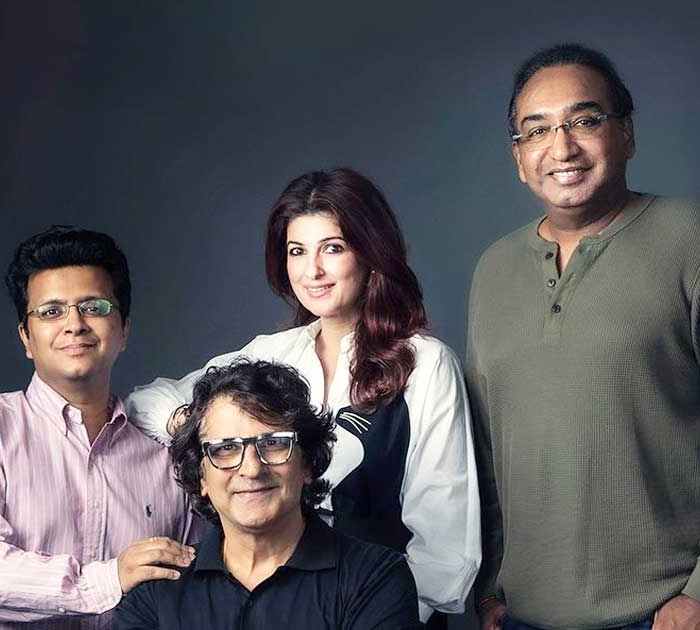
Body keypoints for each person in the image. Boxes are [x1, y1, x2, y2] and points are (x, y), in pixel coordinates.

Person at [467, 43, 700, 630]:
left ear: (627, 134)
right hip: (520, 616)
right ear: (519, 158)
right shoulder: (493, 269)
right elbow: (486, 449)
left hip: (659, 613)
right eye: (536, 130)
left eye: (585, 121)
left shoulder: (695, 241)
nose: (561, 147)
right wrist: (489, 584)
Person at [126, 167, 480, 628]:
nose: (312, 271)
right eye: (297, 251)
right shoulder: (272, 354)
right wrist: (190, 424)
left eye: (332, 248)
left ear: (371, 253)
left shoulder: (425, 364)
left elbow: (445, 548)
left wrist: (376, 611)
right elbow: (143, 401)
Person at [0, 226, 196, 629]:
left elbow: (185, 588)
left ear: (124, 330)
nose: (75, 324)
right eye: (51, 311)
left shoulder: (165, 458)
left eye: (94, 307)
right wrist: (107, 579)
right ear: (26, 338)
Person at [115, 359, 423, 629]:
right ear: (201, 477)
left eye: (274, 443)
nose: (251, 469)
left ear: (308, 464)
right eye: (225, 448)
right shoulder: (156, 591)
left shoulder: (377, 578)